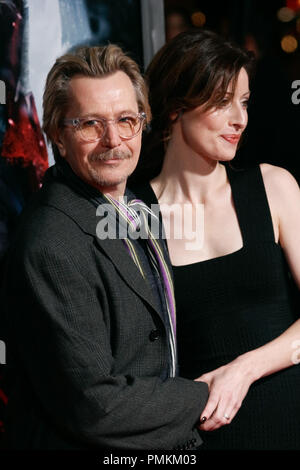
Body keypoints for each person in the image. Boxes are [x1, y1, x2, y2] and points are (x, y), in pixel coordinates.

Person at [0, 44, 209, 450]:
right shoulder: (50, 246)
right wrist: (202, 395)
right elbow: (96, 406)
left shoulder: (136, 206)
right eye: (91, 125)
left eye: (126, 120)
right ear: (58, 136)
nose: (114, 140)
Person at [130, 29, 300, 450]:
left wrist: (244, 369)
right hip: (201, 436)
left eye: (243, 102)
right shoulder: (134, 216)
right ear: (174, 108)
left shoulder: (274, 187)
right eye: (222, 102)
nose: (239, 119)